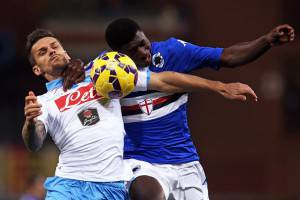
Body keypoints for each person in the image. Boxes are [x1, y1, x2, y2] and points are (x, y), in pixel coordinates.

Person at [22, 29, 256, 200]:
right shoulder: (43, 102)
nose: (51, 51)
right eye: (43, 52)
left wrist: (219, 86)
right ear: (37, 69)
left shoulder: (102, 72)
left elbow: (163, 80)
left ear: (65, 49)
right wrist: (31, 123)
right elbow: (34, 141)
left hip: (112, 187)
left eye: (54, 46)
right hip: (69, 185)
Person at [104, 18, 295, 200]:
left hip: (184, 162)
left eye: (143, 43)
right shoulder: (105, 72)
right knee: (147, 194)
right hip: (141, 162)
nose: (144, 52)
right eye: (133, 50)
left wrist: (266, 41)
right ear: (117, 53)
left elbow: (227, 56)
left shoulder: (172, 51)